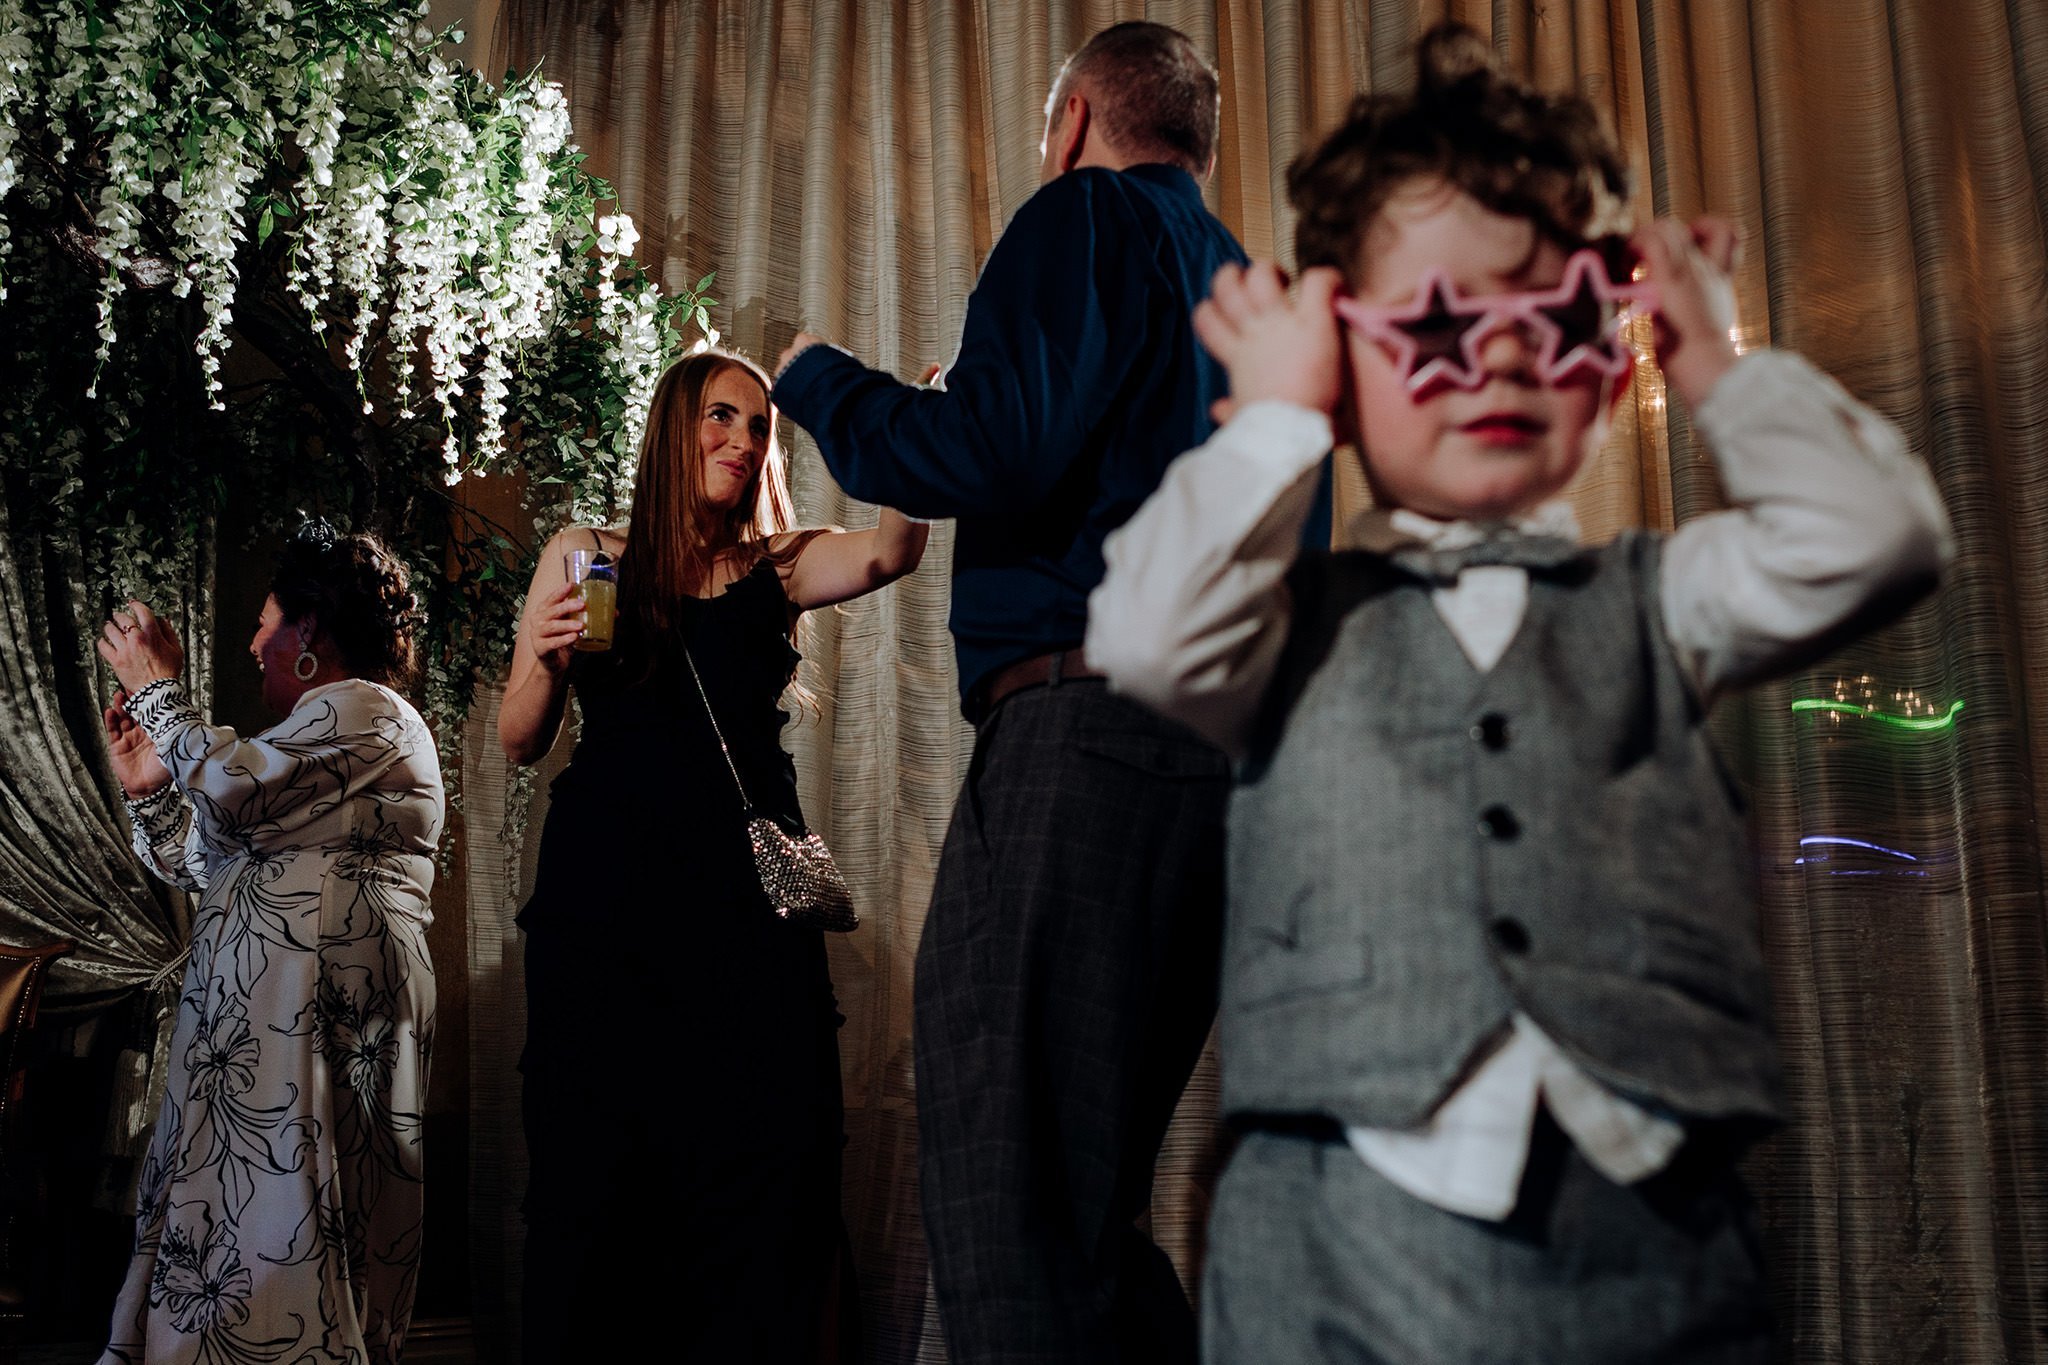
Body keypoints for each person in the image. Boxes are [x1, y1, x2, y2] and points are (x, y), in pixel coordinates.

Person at [1087, 24, 1953, 1365]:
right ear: (1341, 354)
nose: (1492, 360)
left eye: (1544, 325)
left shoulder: (1666, 596)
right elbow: (1142, 634)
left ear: (1610, 363)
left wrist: (1717, 362)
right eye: (1431, 328)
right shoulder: (1270, 626)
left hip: (1651, 1232)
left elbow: (1879, 539)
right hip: (1332, 1235)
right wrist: (1278, 413)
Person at [772, 22, 1244, 1363]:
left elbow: (991, 448)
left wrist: (818, 377)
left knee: (1003, 1189)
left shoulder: (1079, 217)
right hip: (1218, 771)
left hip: (1083, 746)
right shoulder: (1245, 287)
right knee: (1081, 1218)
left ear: (1080, 119)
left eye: (1053, 134)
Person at [500, 347, 926, 1363]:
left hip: (743, 913)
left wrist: (906, 434)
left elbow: (891, 555)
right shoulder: (589, 553)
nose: (740, 443)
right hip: (607, 902)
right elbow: (519, 737)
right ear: (672, 428)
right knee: (601, 1168)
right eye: (720, 420)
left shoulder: (777, 566)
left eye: (757, 429)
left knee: (763, 1165)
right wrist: (552, 663)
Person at [94, 523, 442, 1365]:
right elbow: (204, 851)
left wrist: (156, 689)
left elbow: (229, 790)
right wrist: (148, 789)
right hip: (263, 1038)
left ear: (311, 632)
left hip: (315, 1026)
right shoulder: (310, 743)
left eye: (265, 622)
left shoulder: (370, 711)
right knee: (245, 1236)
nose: (254, 643)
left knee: (293, 1236)